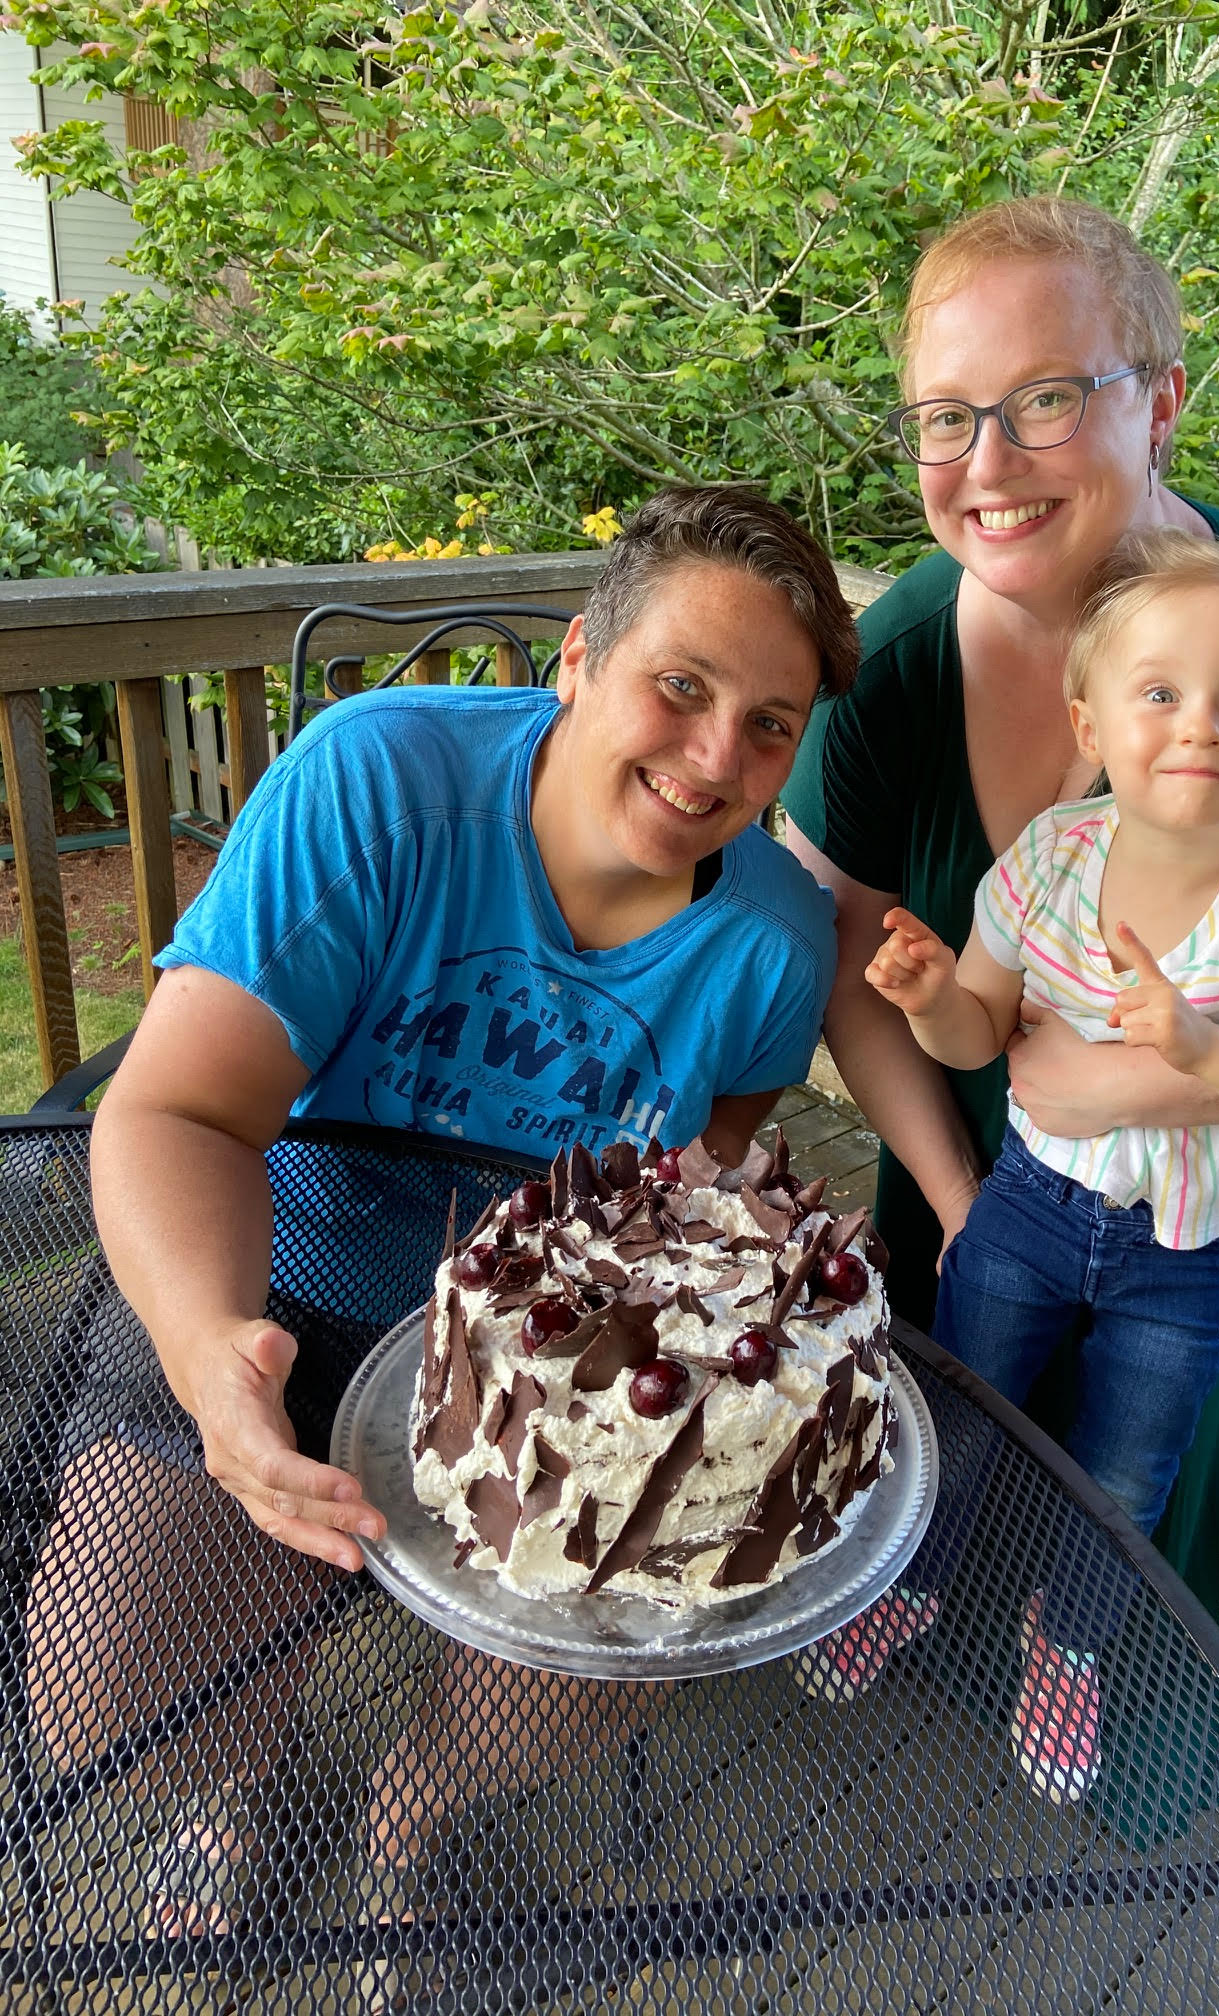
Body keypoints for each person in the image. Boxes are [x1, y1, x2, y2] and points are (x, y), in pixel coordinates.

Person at [26, 485, 860, 1943]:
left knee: (609, 1665)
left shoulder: (773, 943)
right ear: (580, 663)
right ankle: (244, 1781)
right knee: (105, 1690)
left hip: (556, 1379)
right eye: (680, 686)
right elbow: (173, 1111)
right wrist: (213, 1348)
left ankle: (415, 1807)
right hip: (281, 1278)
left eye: (771, 723)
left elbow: (700, 1190)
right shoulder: (380, 789)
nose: (717, 756)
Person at [782, 195, 1219, 1636]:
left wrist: (1141, 1075)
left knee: (1119, 1507)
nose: (987, 465)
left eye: (1044, 401)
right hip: (956, 1186)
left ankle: (1088, 1692)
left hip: (1190, 1205)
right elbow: (833, 950)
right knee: (936, 1487)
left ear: (1161, 399)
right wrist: (970, 1203)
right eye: (945, 415)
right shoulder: (898, 660)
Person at [866, 529, 1219, 1803]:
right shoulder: (1051, 861)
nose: (1201, 726)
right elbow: (980, 1034)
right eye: (1159, 692)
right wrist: (936, 998)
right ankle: (915, 1588)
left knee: (1124, 1471)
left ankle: (1073, 1643)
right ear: (1090, 719)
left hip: (1185, 1257)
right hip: (1032, 1207)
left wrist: (1213, 1050)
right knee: (965, 1407)